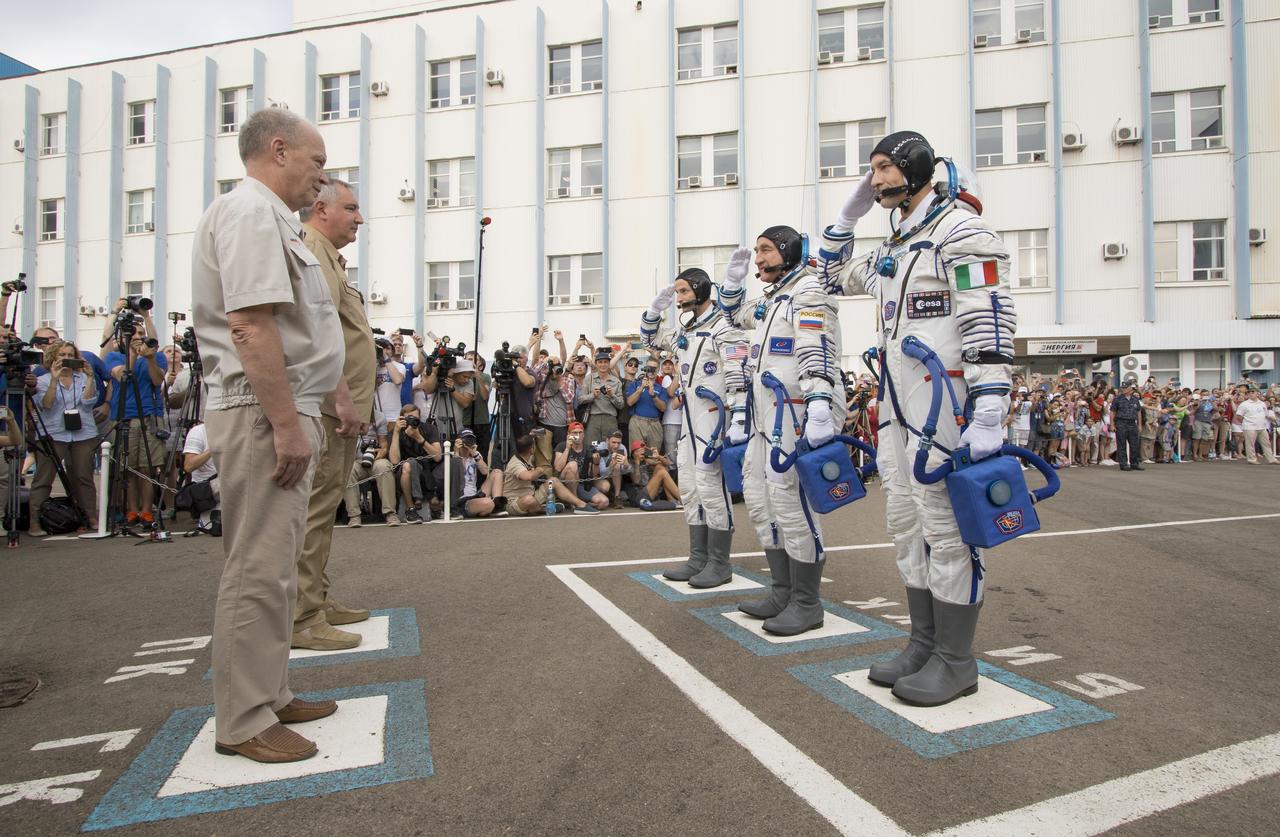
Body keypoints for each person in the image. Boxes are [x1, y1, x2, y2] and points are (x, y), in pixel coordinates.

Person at [819, 131, 1016, 705]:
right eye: (871, 171)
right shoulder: (895, 247)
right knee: (906, 524)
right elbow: (832, 277)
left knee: (947, 530)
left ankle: (957, 660)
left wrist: (990, 407)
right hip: (897, 409)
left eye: (882, 168)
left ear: (915, 168)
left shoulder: (961, 232)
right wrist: (845, 218)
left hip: (945, 406)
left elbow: (989, 319)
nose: (875, 180)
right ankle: (924, 643)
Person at [192, 108, 346, 763]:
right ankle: (244, 717)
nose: (322, 177)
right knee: (257, 565)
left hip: (280, 406)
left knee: (275, 566)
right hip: (261, 410)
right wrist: (286, 423)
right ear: (277, 150)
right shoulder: (251, 213)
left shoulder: (268, 217)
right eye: (316, 162)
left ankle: (268, 690)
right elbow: (251, 325)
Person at [722, 224, 844, 637]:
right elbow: (731, 317)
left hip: (795, 412)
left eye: (767, 250)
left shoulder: (809, 291)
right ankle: (782, 590)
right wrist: (733, 283)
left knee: (790, 505)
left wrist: (819, 406)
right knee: (759, 500)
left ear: (791, 250)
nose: (759, 259)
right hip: (764, 416)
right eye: (757, 251)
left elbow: (815, 348)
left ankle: (807, 603)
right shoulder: (773, 299)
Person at [291, 178, 373, 653]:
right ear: (321, 209)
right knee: (315, 512)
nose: (358, 218)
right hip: (328, 405)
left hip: (341, 405)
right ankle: (302, 615)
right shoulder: (313, 249)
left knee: (324, 510)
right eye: (351, 208)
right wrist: (341, 396)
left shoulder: (330, 256)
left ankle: (317, 599)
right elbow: (316, 330)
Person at [640, 266, 749, 587]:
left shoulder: (724, 328)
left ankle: (719, 562)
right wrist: (653, 311)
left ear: (701, 291)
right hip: (689, 418)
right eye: (677, 293)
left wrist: (739, 415)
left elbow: (738, 371)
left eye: (684, 292)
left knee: (710, 486)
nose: (680, 299)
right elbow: (650, 339)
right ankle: (698, 557)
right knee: (688, 485)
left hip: (713, 417)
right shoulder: (686, 330)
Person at [31, 341, 99, 533]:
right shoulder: (43, 380)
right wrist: (54, 380)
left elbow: (87, 403)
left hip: (83, 432)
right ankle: (35, 521)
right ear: (53, 357)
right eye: (62, 355)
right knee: (44, 477)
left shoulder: (83, 378)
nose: (66, 359)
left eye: (70, 355)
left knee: (83, 476)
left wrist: (91, 377)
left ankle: (89, 517)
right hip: (53, 433)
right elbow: (47, 404)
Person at [105, 328, 168, 529]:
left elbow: (158, 381)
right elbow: (123, 376)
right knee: (128, 469)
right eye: (133, 335)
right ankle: (132, 510)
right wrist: (132, 354)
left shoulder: (156, 356)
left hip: (149, 417)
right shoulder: (114, 356)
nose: (138, 337)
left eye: (141, 334)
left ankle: (147, 511)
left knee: (147, 468)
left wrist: (149, 359)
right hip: (125, 416)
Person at [502, 433, 600, 515]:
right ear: (532, 449)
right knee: (528, 500)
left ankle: (581, 505)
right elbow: (528, 476)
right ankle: (544, 509)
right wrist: (539, 470)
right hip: (515, 501)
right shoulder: (515, 462)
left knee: (553, 480)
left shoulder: (528, 458)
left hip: (532, 494)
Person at [390, 403, 442, 523]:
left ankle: (439, 504)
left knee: (415, 465)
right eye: (409, 418)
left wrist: (419, 438)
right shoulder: (397, 431)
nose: (413, 421)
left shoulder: (429, 428)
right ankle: (411, 508)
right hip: (404, 473)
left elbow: (438, 457)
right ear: (402, 419)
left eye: (415, 418)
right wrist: (396, 432)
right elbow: (394, 460)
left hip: (427, 470)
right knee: (409, 464)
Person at [443, 428, 507, 517]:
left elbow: (485, 471)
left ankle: (497, 506)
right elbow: (458, 474)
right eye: (465, 439)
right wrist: (457, 452)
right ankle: (482, 508)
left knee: (497, 472)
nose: (468, 442)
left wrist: (474, 453)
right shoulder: (451, 457)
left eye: (470, 439)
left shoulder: (475, 455)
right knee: (488, 503)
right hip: (461, 499)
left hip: (474, 494)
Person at [343, 423, 397, 526]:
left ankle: (390, 513)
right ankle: (354, 516)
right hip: (355, 460)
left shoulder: (378, 417)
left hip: (375, 459)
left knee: (384, 467)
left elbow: (383, 443)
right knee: (348, 470)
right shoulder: (348, 417)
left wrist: (382, 450)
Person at [554, 421, 611, 510]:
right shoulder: (562, 446)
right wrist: (567, 448)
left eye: (580, 433)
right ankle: (575, 503)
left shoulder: (589, 448)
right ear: (568, 434)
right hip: (563, 483)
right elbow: (558, 468)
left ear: (583, 435)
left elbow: (594, 475)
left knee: (604, 502)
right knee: (573, 465)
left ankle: (579, 503)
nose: (578, 435)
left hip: (580, 484)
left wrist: (596, 463)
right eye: (575, 433)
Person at [578, 350, 625, 445]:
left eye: (605, 362)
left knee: (611, 447)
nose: (603, 365)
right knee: (592, 447)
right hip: (593, 419)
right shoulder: (589, 378)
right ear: (596, 364)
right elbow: (580, 399)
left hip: (610, 419)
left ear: (609, 363)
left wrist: (612, 395)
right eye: (600, 362)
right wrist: (592, 395)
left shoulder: (616, 381)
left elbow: (621, 405)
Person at [626, 359, 667, 453]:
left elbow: (663, 408)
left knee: (653, 455)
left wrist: (653, 395)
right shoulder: (635, 384)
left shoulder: (661, 389)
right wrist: (641, 388)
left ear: (658, 370)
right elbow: (630, 402)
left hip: (654, 423)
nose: (651, 371)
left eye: (654, 368)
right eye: (649, 368)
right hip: (637, 422)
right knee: (637, 454)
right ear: (645, 368)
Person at [1236, 389, 1279, 464]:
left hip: (1262, 427)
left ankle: (1271, 459)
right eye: (1249, 393)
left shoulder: (1262, 403)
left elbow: (1266, 414)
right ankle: (1252, 459)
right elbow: (1239, 415)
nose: (1251, 394)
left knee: (1266, 443)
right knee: (1250, 444)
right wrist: (1245, 423)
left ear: (1257, 394)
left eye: (1253, 392)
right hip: (1250, 427)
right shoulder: (1244, 404)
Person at [1110, 382, 1144, 470]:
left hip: (1132, 423)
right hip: (1121, 423)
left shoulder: (1135, 399)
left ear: (1130, 389)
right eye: (1123, 388)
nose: (1123, 389)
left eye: (1125, 388)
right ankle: (1123, 464)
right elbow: (1112, 412)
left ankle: (1134, 463)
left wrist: (1140, 425)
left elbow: (1139, 412)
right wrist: (1112, 425)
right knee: (1121, 445)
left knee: (1134, 445)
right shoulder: (1117, 399)